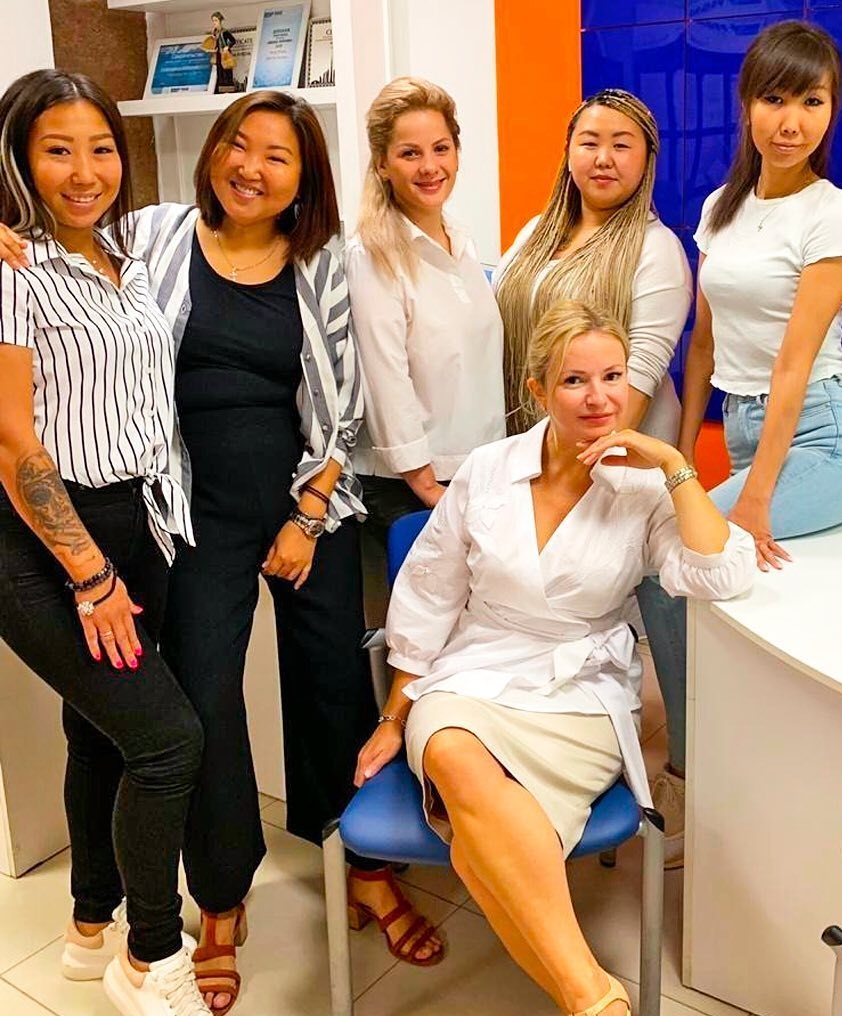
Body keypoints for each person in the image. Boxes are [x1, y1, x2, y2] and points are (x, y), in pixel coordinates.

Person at [0, 90, 443, 1012]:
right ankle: (221, 899)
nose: (251, 167)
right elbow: (46, 238)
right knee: (206, 700)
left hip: (305, 507)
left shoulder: (320, 262)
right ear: (212, 152)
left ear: (303, 180)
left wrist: (307, 516)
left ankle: (360, 866)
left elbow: (344, 400)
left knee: (332, 687)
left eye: (278, 156)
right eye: (239, 145)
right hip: (191, 514)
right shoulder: (149, 235)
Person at [354, 301, 756, 1016]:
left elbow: (721, 573)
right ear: (538, 389)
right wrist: (394, 716)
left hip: (581, 689)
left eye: (612, 376)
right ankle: (594, 997)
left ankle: (587, 998)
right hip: (475, 670)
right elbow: (426, 598)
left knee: (477, 840)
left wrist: (674, 465)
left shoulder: (643, 486)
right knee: (448, 750)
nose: (599, 398)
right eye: (575, 380)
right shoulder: (487, 470)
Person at [637, 20, 842, 865]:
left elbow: (792, 365)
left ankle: (690, 774)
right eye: (775, 99)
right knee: (685, 561)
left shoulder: (835, 212)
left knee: (666, 571)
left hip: (824, 437)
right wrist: (688, 466)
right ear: (747, 105)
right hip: (749, 433)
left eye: (811, 101)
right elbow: (703, 346)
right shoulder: (722, 208)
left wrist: (757, 497)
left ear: (832, 110)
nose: (791, 121)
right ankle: (720, 769)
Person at [0, 70, 209, 1015]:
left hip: (141, 519)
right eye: (57, 150)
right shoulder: (13, 269)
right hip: (50, 540)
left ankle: (91, 930)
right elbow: (14, 443)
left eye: (100, 148)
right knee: (168, 742)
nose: (85, 172)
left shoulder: (128, 254)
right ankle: (149, 956)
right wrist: (90, 576)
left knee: (101, 736)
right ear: (18, 158)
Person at [344, 76, 504, 554]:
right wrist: (427, 484)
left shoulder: (461, 242)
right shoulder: (372, 255)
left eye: (441, 148)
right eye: (410, 153)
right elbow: (384, 377)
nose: (430, 166)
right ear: (382, 163)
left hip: (474, 472)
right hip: (413, 485)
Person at [493, 88, 691, 442]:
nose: (603, 159)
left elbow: (640, 376)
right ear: (568, 153)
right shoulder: (535, 233)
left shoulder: (657, 250)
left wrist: (575, 463)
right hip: (533, 444)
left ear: (647, 160)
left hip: (612, 453)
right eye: (589, 143)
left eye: (621, 146)